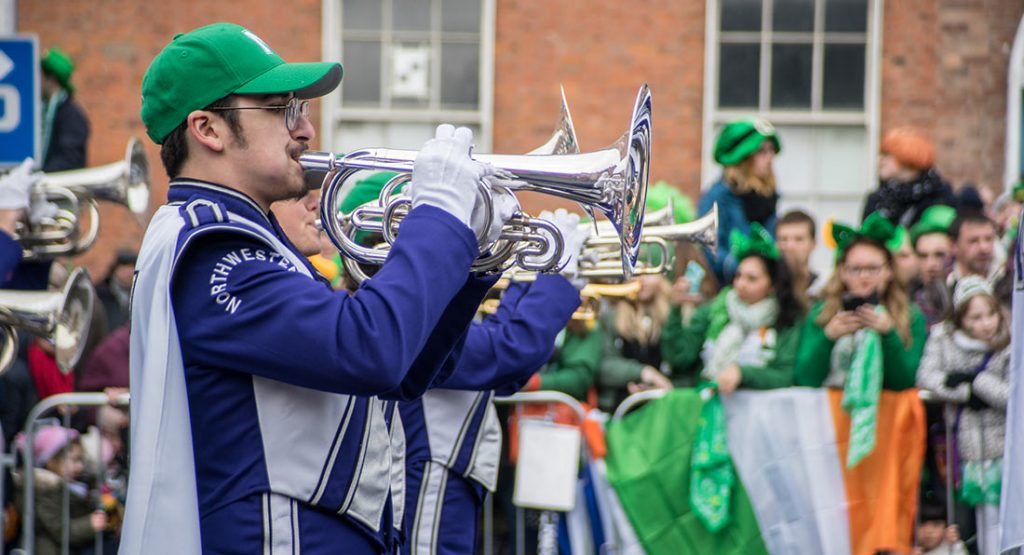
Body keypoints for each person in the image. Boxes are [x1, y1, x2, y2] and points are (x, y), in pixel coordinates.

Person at [124, 22, 513, 555]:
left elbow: (404, 371)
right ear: (208, 129)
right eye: (282, 109)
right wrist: (439, 220)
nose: (305, 129)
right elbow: (368, 348)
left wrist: (470, 260)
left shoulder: (249, 240)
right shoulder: (213, 244)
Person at [400, 208, 589, 555]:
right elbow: (506, 353)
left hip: (447, 467)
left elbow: (500, 366)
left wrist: (528, 276)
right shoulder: (408, 320)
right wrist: (557, 280)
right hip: (431, 469)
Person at [916, 276, 1009, 555]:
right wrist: (966, 394)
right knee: (972, 526)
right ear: (961, 319)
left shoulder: (1010, 342)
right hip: (966, 452)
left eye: (990, 314)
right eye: (976, 317)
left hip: (1003, 448)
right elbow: (927, 377)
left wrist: (977, 382)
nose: (986, 323)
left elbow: (1012, 395)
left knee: (1001, 523)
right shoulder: (944, 338)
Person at [662, 223, 805, 394]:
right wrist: (675, 310)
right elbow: (678, 357)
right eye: (738, 275)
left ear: (772, 286)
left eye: (752, 279)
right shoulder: (715, 310)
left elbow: (784, 376)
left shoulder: (786, 319)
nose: (741, 284)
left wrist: (742, 373)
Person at [794, 212, 926, 392]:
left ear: (888, 271)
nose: (864, 277)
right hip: (830, 415)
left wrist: (888, 334)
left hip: (887, 416)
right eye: (856, 269)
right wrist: (828, 337)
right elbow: (804, 379)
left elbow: (905, 381)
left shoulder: (910, 315)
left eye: (873, 268)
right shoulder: (821, 313)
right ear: (842, 272)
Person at [698, 118, 781, 283]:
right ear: (743, 158)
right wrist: (744, 270)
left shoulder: (768, 197)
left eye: (771, 150)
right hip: (730, 287)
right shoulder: (717, 197)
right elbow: (711, 249)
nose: (770, 157)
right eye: (762, 151)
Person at [14, 426, 108, 555]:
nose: (79, 466)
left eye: (80, 460)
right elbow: (61, 531)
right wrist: (90, 524)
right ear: (52, 461)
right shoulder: (44, 490)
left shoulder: (70, 485)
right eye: (74, 460)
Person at [862, 127, 956, 228]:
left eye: (887, 154)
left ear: (908, 155)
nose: (880, 160)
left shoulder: (939, 197)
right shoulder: (877, 199)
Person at [39, 47, 90, 172]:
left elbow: (69, 161)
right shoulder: (45, 111)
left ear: (51, 79)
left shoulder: (71, 115)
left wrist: (38, 175)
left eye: (40, 76)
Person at [910, 205, 956, 328]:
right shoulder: (905, 302)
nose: (931, 265)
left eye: (940, 255)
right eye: (923, 256)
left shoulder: (965, 298)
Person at [946, 211, 1004, 291]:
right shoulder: (943, 286)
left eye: (988, 239)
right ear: (953, 245)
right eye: (973, 241)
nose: (984, 248)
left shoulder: (1008, 280)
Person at [776, 209, 821, 301]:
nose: (790, 246)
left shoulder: (822, 288)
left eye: (799, 239)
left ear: (813, 244)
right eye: (784, 239)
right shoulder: (767, 287)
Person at [94, 250, 137, 331]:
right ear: (115, 270)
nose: (128, 273)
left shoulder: (140, 297)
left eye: (131, 268)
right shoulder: (100, 294)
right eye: (124, 267)